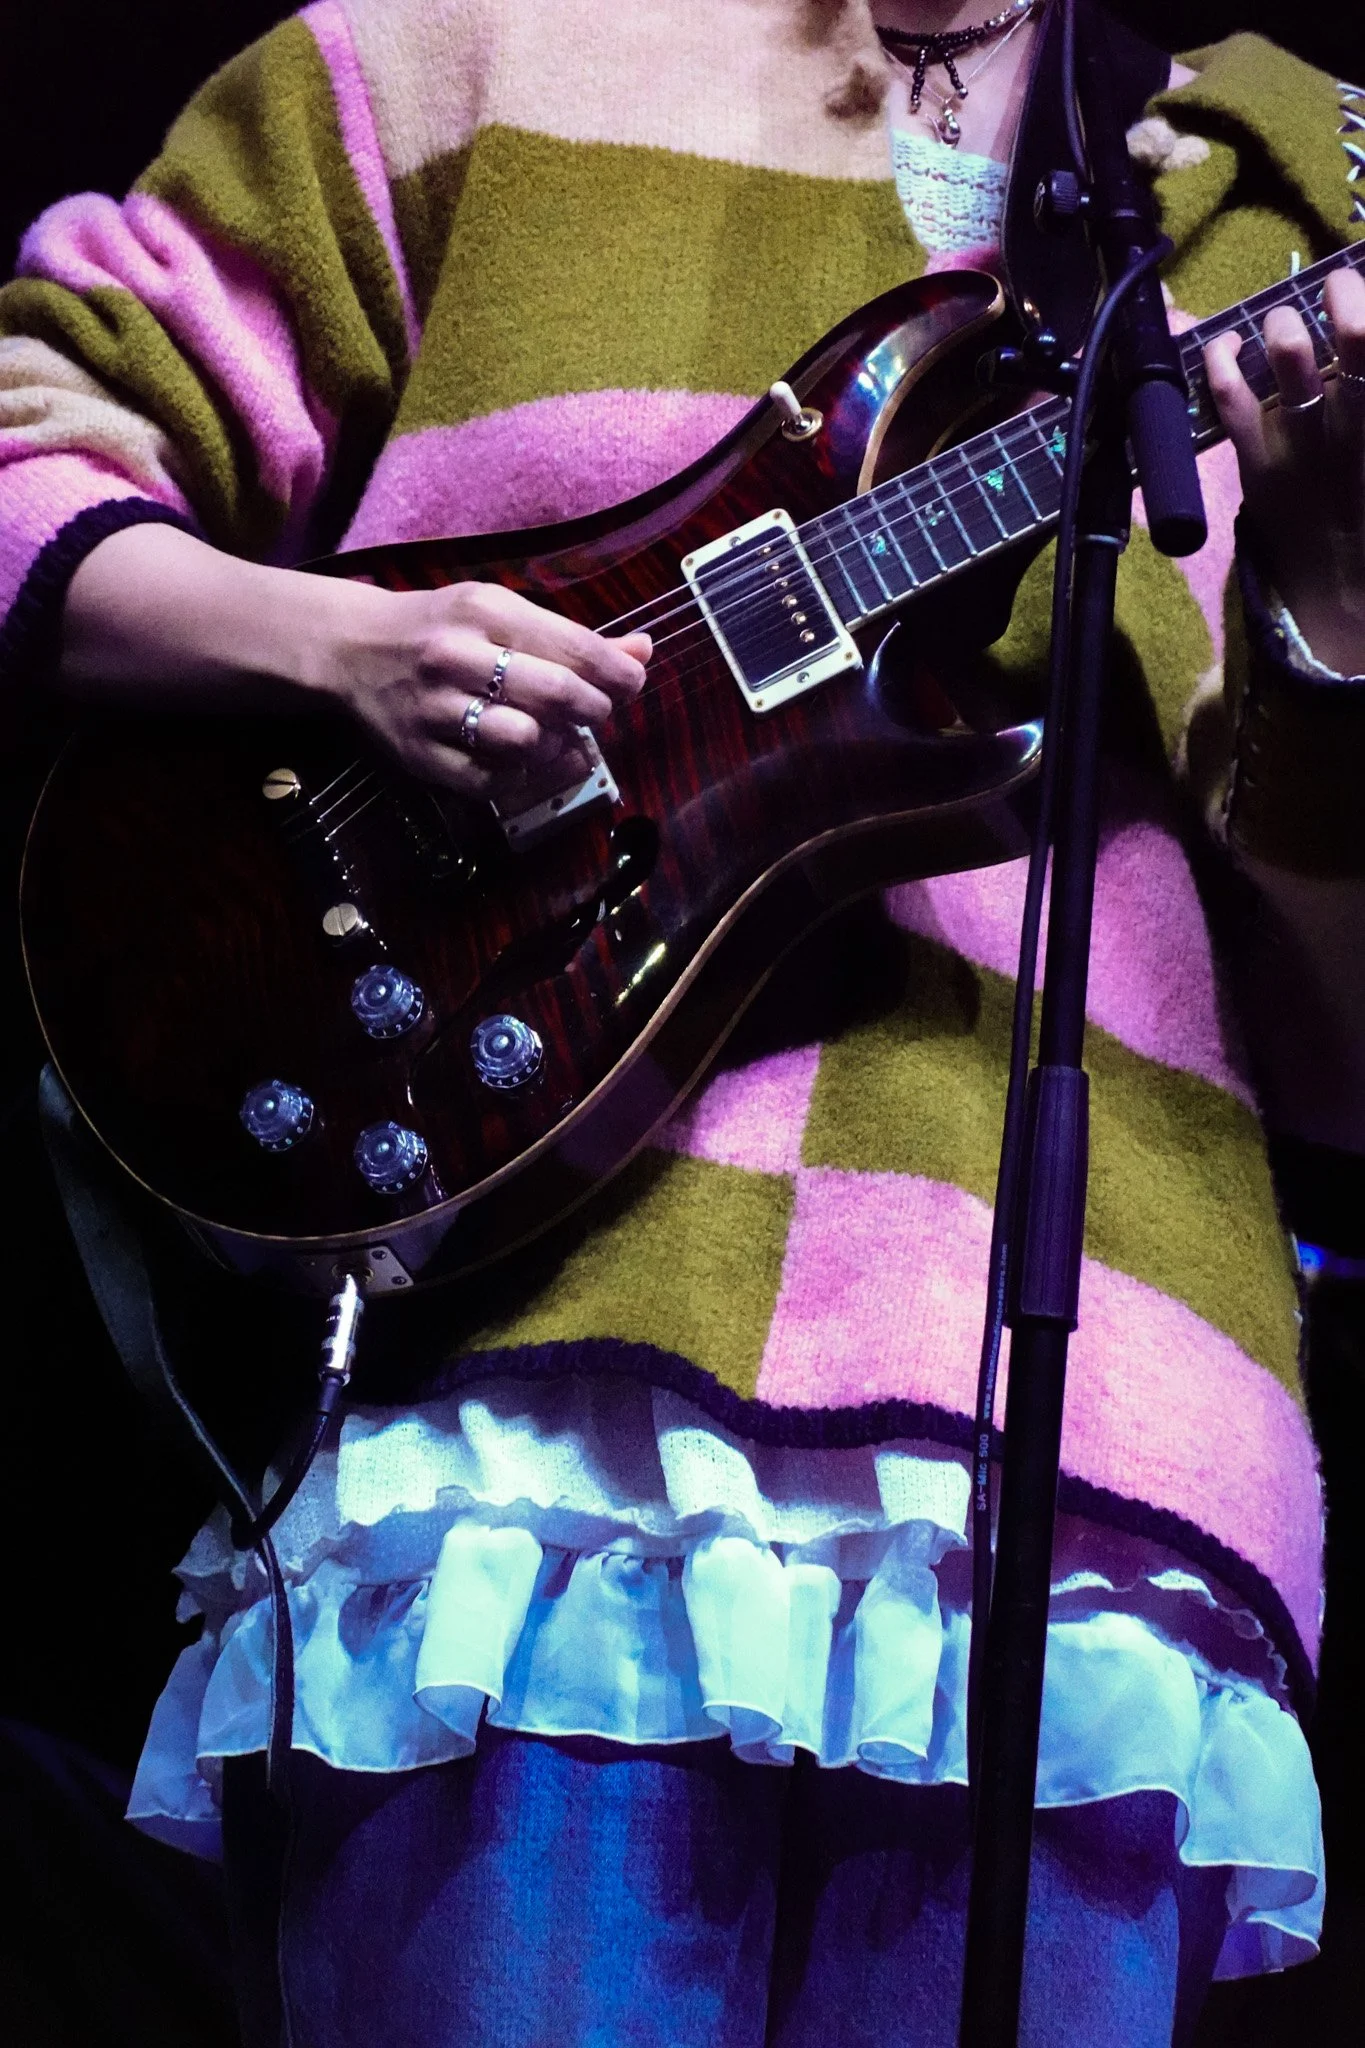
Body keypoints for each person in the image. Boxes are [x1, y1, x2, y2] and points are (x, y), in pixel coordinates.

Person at [1, 3, 1360, 2042]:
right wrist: (351, 646)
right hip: (545, 1415)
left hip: (1097, 1493)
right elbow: (34, 437)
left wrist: (1334, 590)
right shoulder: (472, 41)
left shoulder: (1271, 203)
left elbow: (1341, 1061)